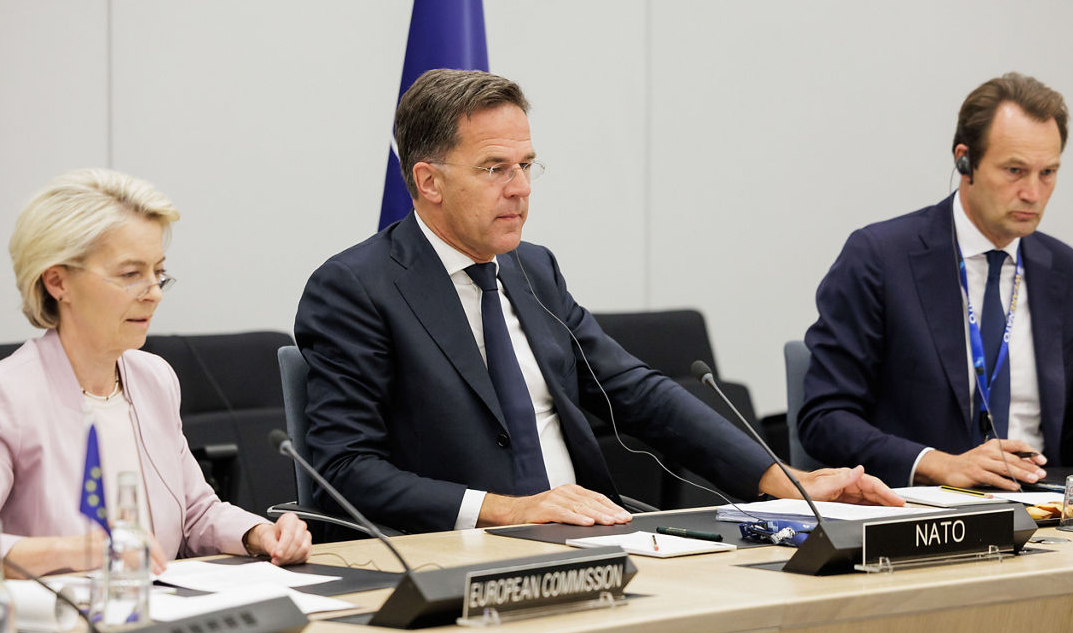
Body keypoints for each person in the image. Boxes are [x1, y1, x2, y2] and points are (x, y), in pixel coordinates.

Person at [295, 68, 902, 534]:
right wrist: (507, 510)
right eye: (495, 168)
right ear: (428, 181)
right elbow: (345, 469)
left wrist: (782, 481)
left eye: (528, 165)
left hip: (594, 537)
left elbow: (636, 392)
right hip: (454, 556)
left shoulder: (532, 268)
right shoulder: (356, 289)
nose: (521, 189)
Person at [0, 170, 311, 577]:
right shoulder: (0, 396)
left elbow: (194, 512)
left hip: (157, 614)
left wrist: (259, 533)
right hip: (55, 628)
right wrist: (81, 552)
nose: (153, 291)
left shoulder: (153, 378)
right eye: (129, 274)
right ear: (57, 282)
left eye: (157, 273)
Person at [798, 72, 1073, 489]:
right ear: (965, 161)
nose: (1033, 192)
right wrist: (938, 463)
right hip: (921, 514)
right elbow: (824, 418)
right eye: (1015, 170)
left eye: (1047, 172)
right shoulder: (881, 259)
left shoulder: (1067, 273)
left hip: (1042, 508)